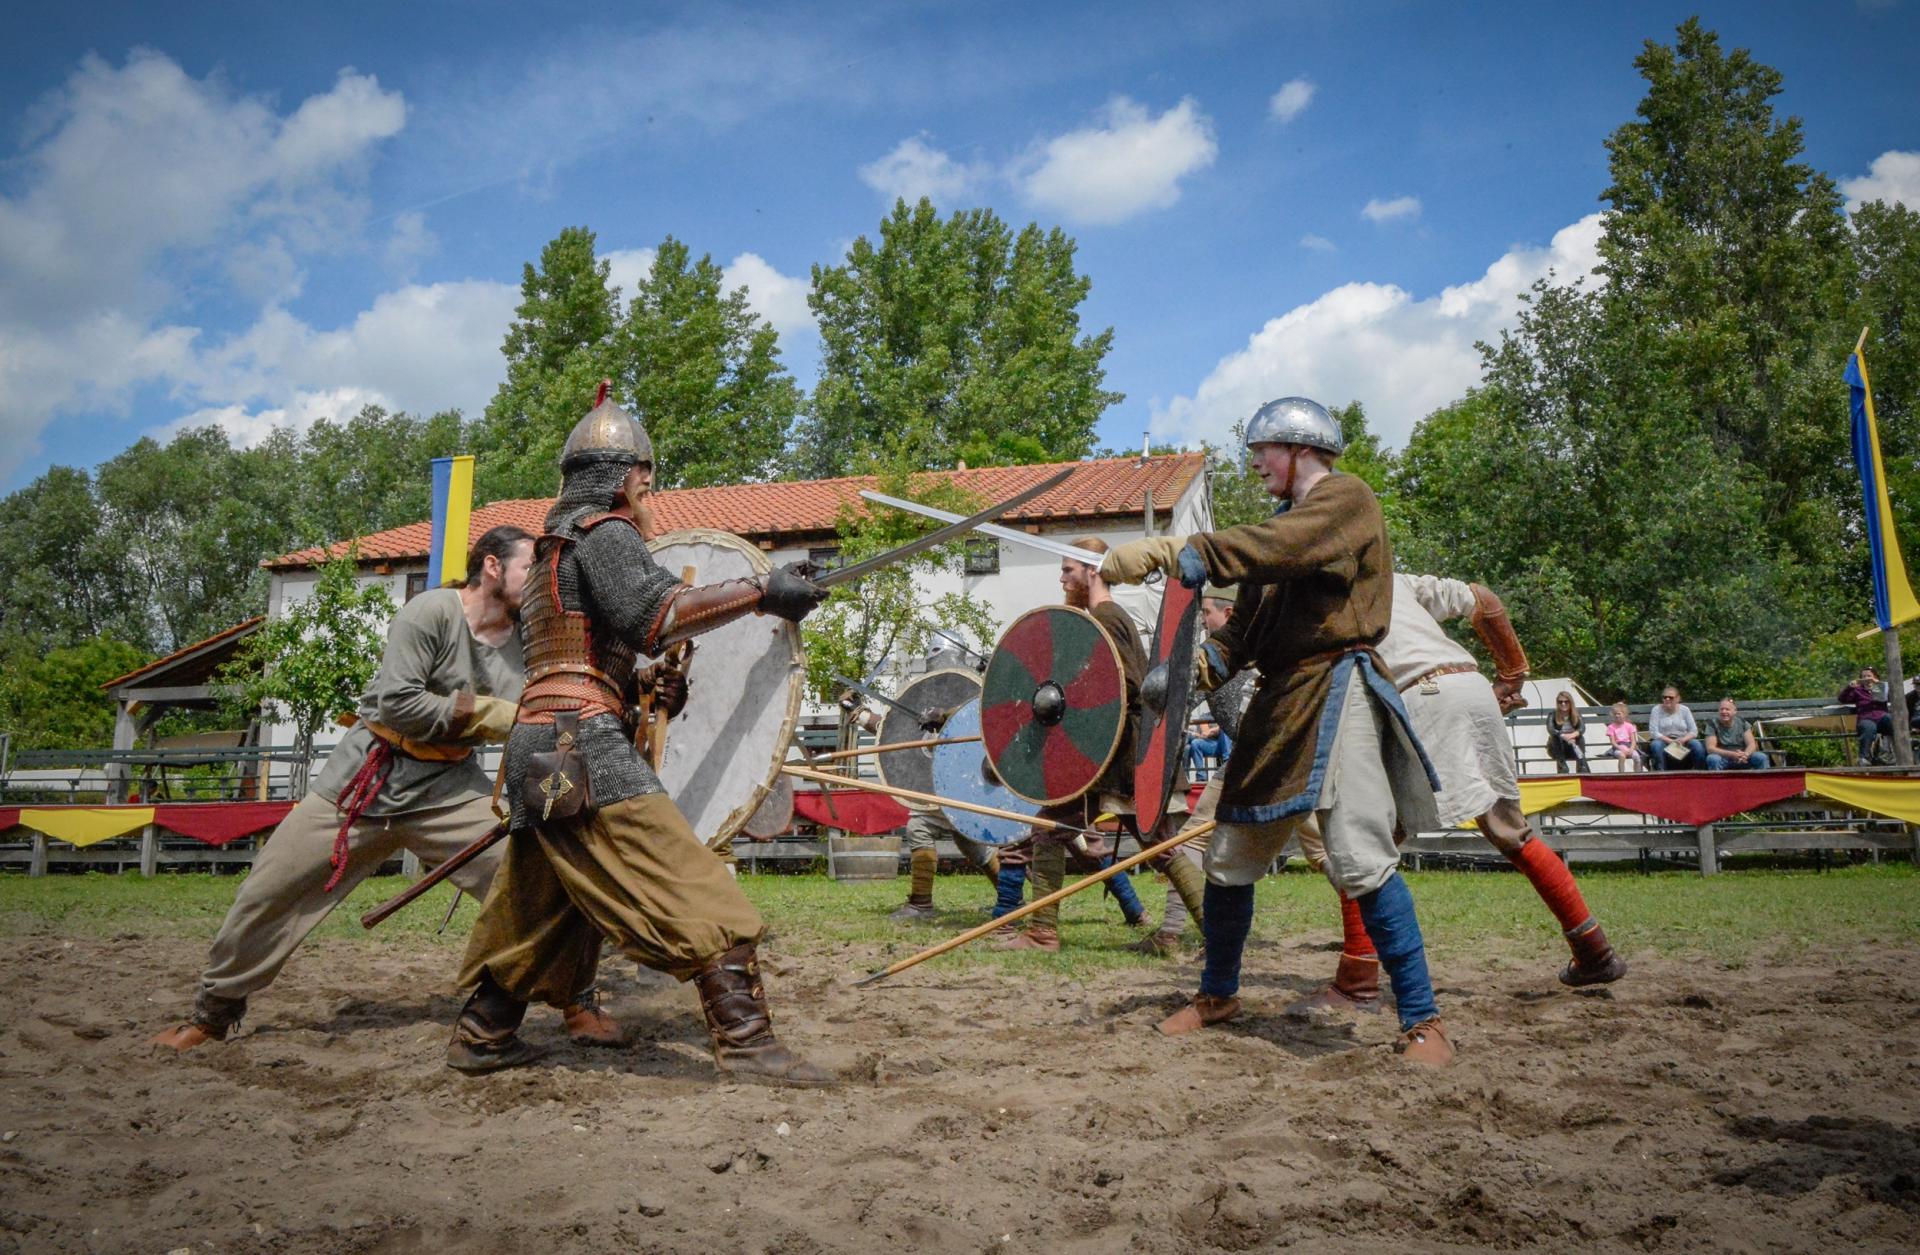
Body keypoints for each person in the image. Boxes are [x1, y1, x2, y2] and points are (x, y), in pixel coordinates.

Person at [449, 389, 835, 1086]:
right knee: (686, 877)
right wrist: (762, 591)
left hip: (544, 739)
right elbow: (655, 614)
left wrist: (644, 691)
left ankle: (484, 1028)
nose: (649, 495)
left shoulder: (547, 557)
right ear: (626, 478)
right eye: (646, 482)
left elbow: (582, 656)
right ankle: (745, 1040)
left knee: (545, 904)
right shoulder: (605, 533)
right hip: (581, 742)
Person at [152, 526, 620, 1052]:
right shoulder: (431, 613)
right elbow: (399, 704)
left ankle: (577, 1000)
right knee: (268, 891)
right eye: (529, 568)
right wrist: (502, 715)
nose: (539, 582)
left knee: (545, 879)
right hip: (365, 781)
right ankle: (213, 1013)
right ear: (491, 566)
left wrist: (639, 689)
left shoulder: (532, 642)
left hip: (448, 789)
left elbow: (570, 694)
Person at [1101, 396, 1452, 1065]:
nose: (1256, 462)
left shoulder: (1346, 501)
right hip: (1280, 698)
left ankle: (1422, 1018)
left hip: (1336, 686)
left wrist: (1183, 548)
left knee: (1357, 853)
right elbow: (1242, 639)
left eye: (1265, 450)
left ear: (1301, 448)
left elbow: (1281, 547)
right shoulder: (1281, 533)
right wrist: (1185, 674)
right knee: (1230, 857)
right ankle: (1219, 993)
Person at [1288, 572, 1626, 1015]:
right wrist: (1512, 675)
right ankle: (1594, 950)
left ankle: (1357, 979)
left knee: (1362, 838)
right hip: (1471, 686)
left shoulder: (1311, 601)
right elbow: (1483, 600)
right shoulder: (1393, 578)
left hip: (1420, 697)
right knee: (1511, 832)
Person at [998, 539, 1200, 951]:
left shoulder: (1107, 618)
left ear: (1093, 571)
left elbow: (1123, 688)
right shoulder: (1099, 618)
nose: (1061, 578)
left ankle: (1219, 932)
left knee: (1160, 847)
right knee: (1050, 830)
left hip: (1120, 758)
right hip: (1103, 761)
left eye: (1068, 569)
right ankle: (1042, 931)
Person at [1840, 667, 1894, 765]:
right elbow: (1842, 699)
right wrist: (1849, 687)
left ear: (1875, 677)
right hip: (1866, 718)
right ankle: (1864, 758)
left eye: (1869, 676)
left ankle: (1891, 753)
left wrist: (1877, 684)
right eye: (1863, 676)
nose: (1866, 678)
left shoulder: (1880, 687)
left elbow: (1890, 696)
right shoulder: (1858, 690)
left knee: (1891, 720)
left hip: (1881, 717)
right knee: (1868, 728)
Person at [1646, 687, 1705, 770]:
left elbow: (1694, 731)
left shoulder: (1685, 710)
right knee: (1656, 745)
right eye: (1665, 697)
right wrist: (1670, 741)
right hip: (1664, 741)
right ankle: (1661, 774)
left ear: (1678, 698)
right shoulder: (1656, 710)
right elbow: (1653, 732)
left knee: (1696, 745)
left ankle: (1700, 774)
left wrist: (1683, 740)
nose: (1667, 699)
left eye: (1671, 697)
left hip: (1683, 741)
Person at [1704, 697, 1770, 770]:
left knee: (1761, 757)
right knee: (1712, 759)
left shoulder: (1742, 723)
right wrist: (1732, 754)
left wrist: (1746, 754)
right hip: (1723, 758)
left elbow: (1751, 744)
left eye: (1727, 709)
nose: (1724, 712)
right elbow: (1710, 748)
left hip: (1743, 758)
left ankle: (1763, 781)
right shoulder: (1712, 724)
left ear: (1734, 711)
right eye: (1721, 709)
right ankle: (1716, 781)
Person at [1546, 690, 1588, 775]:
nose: (1563, 704)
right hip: (1557, 748)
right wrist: (1563, 736)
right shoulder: (1552, 714)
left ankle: (1582, 766)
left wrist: (1572, 736)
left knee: (1580, 738)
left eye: (1566, 701)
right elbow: (1551, 729)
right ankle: (1563, 767)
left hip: (1572, 746)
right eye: (1560, 702)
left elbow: (1582, 728)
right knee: (1555, 738)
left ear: (1570, 702)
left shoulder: (1577, 713)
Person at [1603, 701, 1644, 769]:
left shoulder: (1629, 726)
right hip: (1618, 747)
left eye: (1619, 714)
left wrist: (1631, 749)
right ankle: (1622, 774)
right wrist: (1620, 747)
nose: (1617, 716)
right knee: (1622, 756)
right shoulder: (1611, 727)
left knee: (1636, 757)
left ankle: (1636, 774)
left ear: (1624, 714)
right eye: (1615, 714)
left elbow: (1633, 740)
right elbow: (1613, 742)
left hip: (1629, 746)